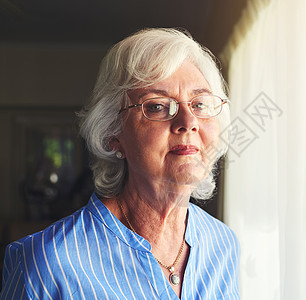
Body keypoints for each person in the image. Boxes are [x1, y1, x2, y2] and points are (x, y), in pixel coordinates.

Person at [1, 28, 239, 299]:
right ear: (113, 134)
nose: (188, 122)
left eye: (200, 104)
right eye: (157, 106)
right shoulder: (46, 264)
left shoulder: (223, 244)